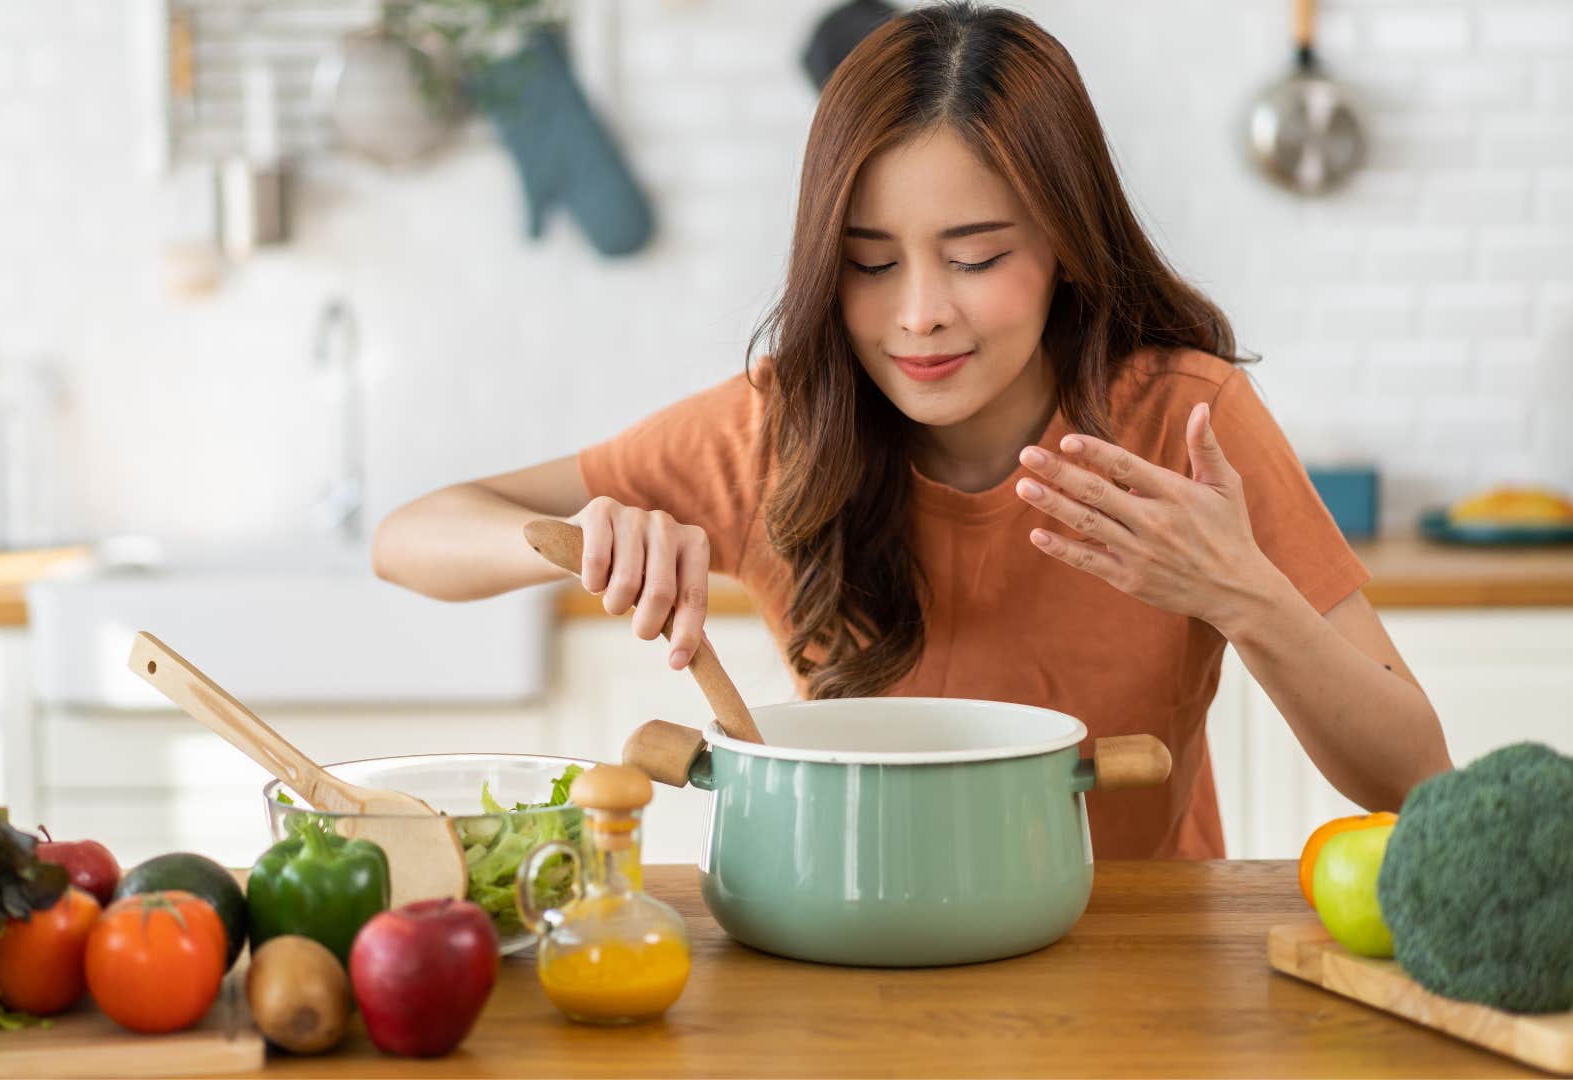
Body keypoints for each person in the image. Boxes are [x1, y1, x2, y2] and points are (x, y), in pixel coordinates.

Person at [373, 3, 1451, 858]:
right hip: (855, 945)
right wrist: (584, 534)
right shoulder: (779, 428)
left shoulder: (1182, 421)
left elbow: (1414, 776)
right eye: (870, 261)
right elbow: (411, 537)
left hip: (1135, 961)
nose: (918, 312)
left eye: (976, 257)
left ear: (1069, 246)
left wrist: (1241, 592)